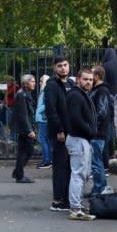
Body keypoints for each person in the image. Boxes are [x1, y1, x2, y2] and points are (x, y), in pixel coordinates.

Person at [64, 69, 97, 221]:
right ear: (78, 79)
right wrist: (90, 131)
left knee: (82, 173)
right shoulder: (76, 95)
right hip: (79, 138)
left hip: (81, 138)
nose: (89, 82)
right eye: (85, 79)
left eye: (91, 79)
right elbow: (76, 118)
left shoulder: (80, 94)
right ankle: (75, 208)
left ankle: (77, 205)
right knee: (78, 174)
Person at [45, 56, 75, 212]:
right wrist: (59, 130)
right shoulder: (51, 85)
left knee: (70, 166)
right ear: (54, 68)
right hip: (60, 133)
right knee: (60, 166)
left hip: (72, 132)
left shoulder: (71, 83)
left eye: (65, 65)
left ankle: (67, 198)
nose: (63, 68)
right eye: (59, 66)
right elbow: (51, 110)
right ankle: (58, 200)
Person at [88, 66, 114, 195]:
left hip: (97, 132)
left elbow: (102, 112)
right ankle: (98, 188)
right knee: (95, 161)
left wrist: (91, 126)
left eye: (91, 76)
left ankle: (100, 188)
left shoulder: (101, 90)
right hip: (98, 131)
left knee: (96, 162)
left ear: (97, 77)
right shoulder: (99, 90)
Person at [11, 74, 36, 183]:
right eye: (32, 81)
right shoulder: (21, 95)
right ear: (26, 84)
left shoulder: (26, 93)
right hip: (24, 129)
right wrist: (29, 130)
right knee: (28, 150)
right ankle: (19, 174)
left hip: (24, 128)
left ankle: (18, 172)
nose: (34, 83)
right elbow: (23, 114)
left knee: (23, 151)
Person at [35, 75, 52, 169]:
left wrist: (38, 110)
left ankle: (47, 160)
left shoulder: (46, 91)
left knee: (43, 139)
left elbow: (47, 104)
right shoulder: (43, 91)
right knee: (45, 139)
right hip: (42, 118)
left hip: (43, 118)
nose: (40, 83)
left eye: (41, 81)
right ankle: (48, 159)